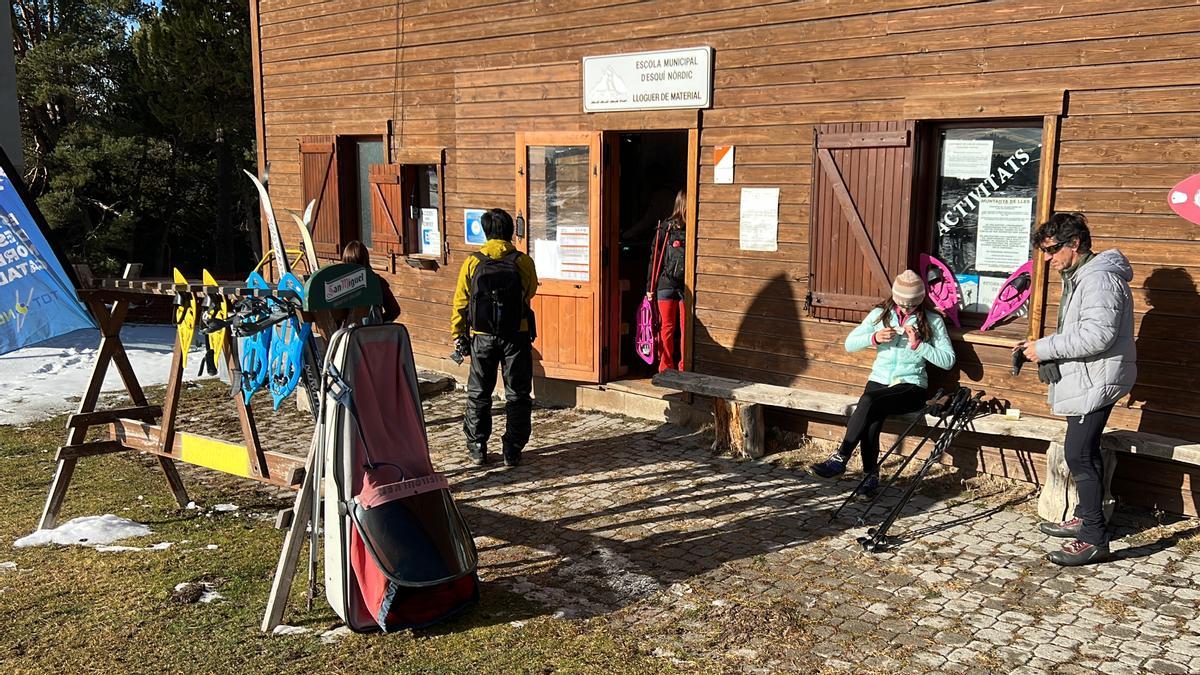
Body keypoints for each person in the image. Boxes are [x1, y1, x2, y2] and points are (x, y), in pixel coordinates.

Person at [1016, 212, 1135, 566]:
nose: (1048, 259)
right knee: (1085, 452)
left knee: (1079, 455)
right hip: (1089, 377)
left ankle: (1094, 537)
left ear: (1076, 243)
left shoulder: (1099, 279)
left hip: (1096, 379)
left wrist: (1046, 348)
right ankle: (1085, 516)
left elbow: (1097, 335)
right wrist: (1040, 346)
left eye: (1052, 250)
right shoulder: (1083, 275)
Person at [810, 270, 956, 497]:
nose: (907, 310)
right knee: (871, 417)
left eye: (912, 305)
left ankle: (841, 458)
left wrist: (919, 345)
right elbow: (849, 343)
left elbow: (948, 361)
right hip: (879, 379)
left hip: (911, 385)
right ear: (895, 298)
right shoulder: (881, 314)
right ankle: (869, 477)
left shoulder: (932, 320)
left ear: (920, 300)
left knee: (868, 401)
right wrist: (874, 338)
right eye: (902, 304)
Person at [450, 208, 538, 467]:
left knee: (479, 393)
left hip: (482, 336)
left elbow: (460, 303)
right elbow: (529, 292)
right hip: (516, 335)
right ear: (510, 231)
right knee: (518, 393)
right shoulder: (523, 262)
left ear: (486, 232)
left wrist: (458, 334)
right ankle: (512, 448)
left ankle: (477, 446)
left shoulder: (473, 262)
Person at [645, 190, 687, 373]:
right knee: (687, 329)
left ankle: (665, 367)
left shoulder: (665, 228)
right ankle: (685, 366)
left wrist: (649, 287)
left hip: (665, 284)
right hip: (687, 285)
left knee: (666, 328)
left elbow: (654, 260)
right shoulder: (693, 228)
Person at [340, 240, 401, 322]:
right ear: (365, 260)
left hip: (349, 332)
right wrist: (379, 322)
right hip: (373, 333)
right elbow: (394, 310)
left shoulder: (340, 285)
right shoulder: (377, 281)